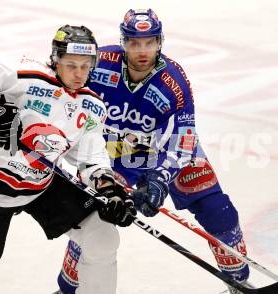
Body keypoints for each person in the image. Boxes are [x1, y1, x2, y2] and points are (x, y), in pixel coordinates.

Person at [0, 25, 136, 294]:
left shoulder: (92, 106)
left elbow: (91, 156)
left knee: (102, 236)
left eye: (85, 66)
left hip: (42, 184)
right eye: (71, 65)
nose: (79, 74)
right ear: (55, 60)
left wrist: (108, 189)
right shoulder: (28, 75)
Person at [54, 9, 251, 294]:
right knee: (93, 220)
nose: (142, 50)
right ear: (124, 42)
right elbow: (60, 87)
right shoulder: (99, 64)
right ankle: (68, 289)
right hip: (115, 157)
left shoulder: (173, 80)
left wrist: (160, 177)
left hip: (165, 154)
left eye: (149, 42)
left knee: (217, 210)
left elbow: (184, 139)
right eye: (135, 43)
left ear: (160, 42)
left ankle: (240, 282)